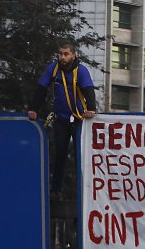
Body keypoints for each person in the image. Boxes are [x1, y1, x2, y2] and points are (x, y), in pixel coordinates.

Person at [28, 41, 97, 194]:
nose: (62, 57)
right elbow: (41, 89)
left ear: (74, 55)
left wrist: (91, 109)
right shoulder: (54, 69)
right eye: (60, 54)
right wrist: (33, 109)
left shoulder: (81, 71)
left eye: (66, 54)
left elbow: (89, 91)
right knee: (59, 154)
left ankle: (85, 192)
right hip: (62, 119)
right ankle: (56, 190)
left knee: (81, 157)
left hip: (79, 120)